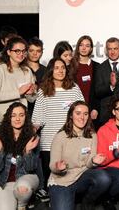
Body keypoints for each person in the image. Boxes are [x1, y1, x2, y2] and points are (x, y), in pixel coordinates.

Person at [31, 58, 84, 191]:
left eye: (63, 67)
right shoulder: (43, 90)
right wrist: (33, 129)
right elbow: (38, 117)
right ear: (50, 71)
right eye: (56, 68)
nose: (60, 71)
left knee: (72, 176)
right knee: (52, 179)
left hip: (71, 140)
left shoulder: (74, 88)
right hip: (49, 142)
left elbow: (83, 111)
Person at [49, 101, 111, 210]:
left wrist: (94, 161)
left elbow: (88, 164)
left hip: (82, 177)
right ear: (71, 116)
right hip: (62, 181)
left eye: (85, 114)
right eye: (78, 113)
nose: (82, 117)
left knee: (104, 178)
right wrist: (58, 167)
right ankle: (58, 197)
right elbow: (52, 165)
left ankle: (87, 203)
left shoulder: (92, 135)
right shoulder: (61, 136)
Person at [0, 102, 40, 210]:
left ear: (26, 118)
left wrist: (27, 151)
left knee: (22, 187)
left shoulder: (33, 137)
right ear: (9, 118)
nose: (17, 119)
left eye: (21, 115)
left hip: (26, 178)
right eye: (14, 115)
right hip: (4, 182)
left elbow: (31, 168)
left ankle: (21, 205)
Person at [0, 37, 37, 123]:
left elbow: (32, 99)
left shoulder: (27, 71)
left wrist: (31, 93)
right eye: (17, 51)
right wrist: (18, 92)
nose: (21, 54)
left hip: (21, 120)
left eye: (23, 51)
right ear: (9, 52)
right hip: (2, 120)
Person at [72, 35, 100, 121]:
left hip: (91, 110)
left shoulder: (97, 67)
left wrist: (96, 108)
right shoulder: (71, 66)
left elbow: (98, 91)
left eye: (87, 46)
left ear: (91, 49)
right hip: (73, 108)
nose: (84, 48)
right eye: (81, 45)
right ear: (78, 47)